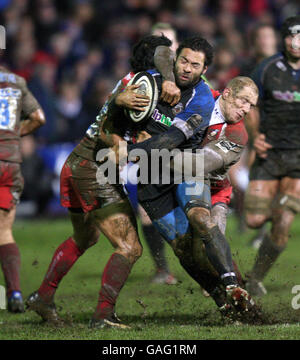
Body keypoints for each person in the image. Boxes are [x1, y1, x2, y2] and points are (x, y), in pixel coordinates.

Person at [25, 35, 203, 329]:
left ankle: (43, 298)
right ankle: (102, 316)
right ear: (158, 58)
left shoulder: (136, 82)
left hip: (78, 162)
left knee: (85, 238)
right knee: (130, 247)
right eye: (170, 55)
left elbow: (118, 118)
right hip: (94, 169)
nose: (174, 61)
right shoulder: (143, 86)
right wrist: (121, 143)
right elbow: (109, 129)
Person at [124, 75, 259, 320]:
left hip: (212, 187)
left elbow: (196, 164)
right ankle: (224, 303)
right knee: (184, 249)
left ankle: (235, 288)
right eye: (244, 101)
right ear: (227, 93)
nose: (246, 110)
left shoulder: (237, 134)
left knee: (206, 234)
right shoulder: (199, 99)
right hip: (163, 179)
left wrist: (144, 151)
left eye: (251, 106)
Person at [244, 16, 300, 297]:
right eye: (292, 36)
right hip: (270, 153)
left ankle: (254, 277)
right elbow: (250, 104)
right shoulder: (266, 69)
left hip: (298, 158)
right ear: (284, 39)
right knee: (254, 219)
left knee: (284, 220)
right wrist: (255, 137)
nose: (297, 42)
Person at [0, 66, 46, 313]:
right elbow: (39, 117)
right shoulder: (16, 81)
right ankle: (14, 292)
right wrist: (10, 136)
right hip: (9, 162)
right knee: (4, 231)